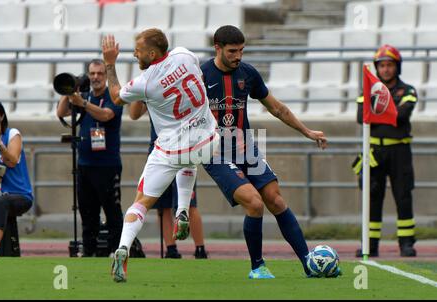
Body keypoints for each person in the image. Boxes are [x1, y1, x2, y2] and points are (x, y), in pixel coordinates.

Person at [201, 25, 335, 279]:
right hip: (215, 153)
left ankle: (309, 262)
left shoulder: (248, 74)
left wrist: (307, 132)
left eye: (241, 50)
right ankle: (257, 267)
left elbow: (277, 108)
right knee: (254, 202)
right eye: (232, 51)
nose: (238, 56)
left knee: (275, 199)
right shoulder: (200, 74)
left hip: (245, 147)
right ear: (217, 48)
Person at [102, 28, 218, 282]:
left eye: (138, 51)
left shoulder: (145, 82)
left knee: (141, 201)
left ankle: (123, 249)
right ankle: (182, 210)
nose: (134, 53)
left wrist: (110, 64)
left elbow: (114, 96)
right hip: (207, 140)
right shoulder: (184, 55)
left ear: (152, 53)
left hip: (170, 149)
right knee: (190, 160)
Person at [56, 59, 124, 257]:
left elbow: (106, 115)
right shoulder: (82, 96)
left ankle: (116, 249)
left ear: (105, 75)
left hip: (107, 165)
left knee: (112, 210)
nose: (95, 77)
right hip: (84, 164)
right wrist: (69, 89)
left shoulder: (113, 96)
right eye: (92, 73)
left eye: (100, 73)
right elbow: (61, 113)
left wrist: (83, 104)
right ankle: (89, 250)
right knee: (87, 212)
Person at [355, 45, 418, 257]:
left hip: (400, 151)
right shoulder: (367, 89)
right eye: (382, 65)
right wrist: (389, 111)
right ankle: (370, 245)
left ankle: (406, 244)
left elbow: (401, 116)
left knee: (403, 196)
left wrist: (377, 112)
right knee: (372, 197)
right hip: (374, 151)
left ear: (397, 67)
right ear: (377, 68)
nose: (386, 69)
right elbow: (360, 117)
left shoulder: (408, 90)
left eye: (390, 65)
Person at [129, 101, 208, 259]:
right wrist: (140, 93)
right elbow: (134, 114)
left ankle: (200, 249)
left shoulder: (179, 81)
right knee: (162, 205)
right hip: (159, 151)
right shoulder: (151, 85)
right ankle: (171, 249)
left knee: (189, 203)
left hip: (183, 148)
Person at [0, 99, 33, 257]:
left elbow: (12, 160)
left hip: (19, 194)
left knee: (1, 202)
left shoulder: (12, 134)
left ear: (2, 117)